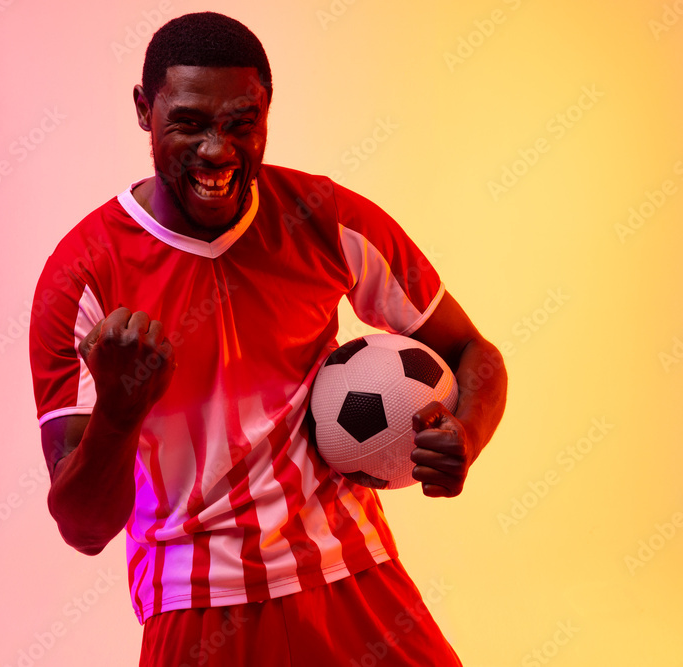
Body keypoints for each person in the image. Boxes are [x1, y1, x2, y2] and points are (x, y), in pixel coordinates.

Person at [29, 11, 507, 666]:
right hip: (194, 606)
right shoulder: (83, 274)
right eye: (190, 122)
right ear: (145, 110)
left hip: (353, 574)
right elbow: (83, 527)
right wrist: (118, 408)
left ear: (266, 111)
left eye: (239, 124)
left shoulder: (323, 217)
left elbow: (474, 353)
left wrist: (467, 436)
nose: (217, 150)